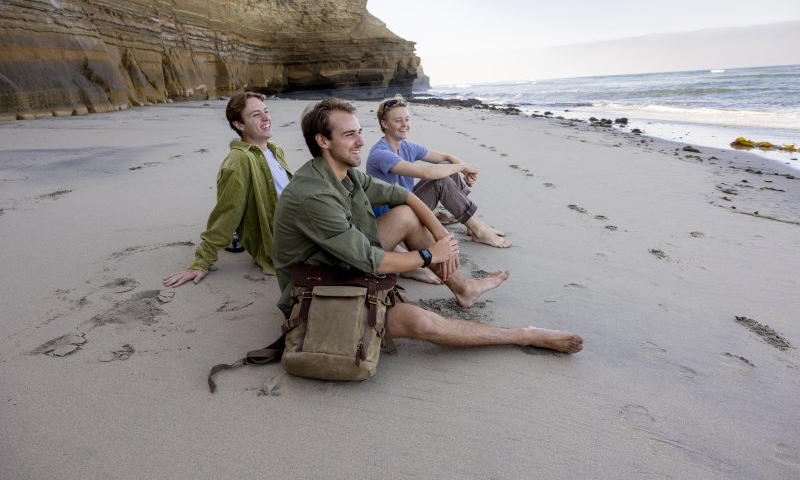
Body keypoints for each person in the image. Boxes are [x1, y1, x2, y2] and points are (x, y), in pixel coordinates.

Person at [271, 98, 583, 355]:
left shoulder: (345, 173)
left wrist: (441, 233)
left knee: (407, 213)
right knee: (421, 324)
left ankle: (464, 288)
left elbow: (402, 194)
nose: (361, 141)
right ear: (323, 141)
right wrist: (428, 256)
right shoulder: (313, 195)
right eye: (350, 135)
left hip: (339, 263)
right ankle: (522, 335)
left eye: (359, 131)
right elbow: (371, 259)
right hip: (316, 292)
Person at [163, 92, 292, 287]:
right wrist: (201, 262)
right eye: (256, 115)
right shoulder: (239, 160)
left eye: (266, 111)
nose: (266, 118)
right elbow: (226, 212)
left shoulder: (275, 149)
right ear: (239, 125)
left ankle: (238, 236)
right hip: (286, 239)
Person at [366, 94, 511, 248]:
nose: (404, 124)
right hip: (392, 218)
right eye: (398, 120)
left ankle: (472, 223)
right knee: (441, 179)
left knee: (449, 171)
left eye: (407, 119)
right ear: (384, 124)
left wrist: (464, 170)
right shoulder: (380, 153)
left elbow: (445, 158)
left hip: (406, 203)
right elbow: (426, 173)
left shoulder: (406, 146)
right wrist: (463, 167)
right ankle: (478, 230)